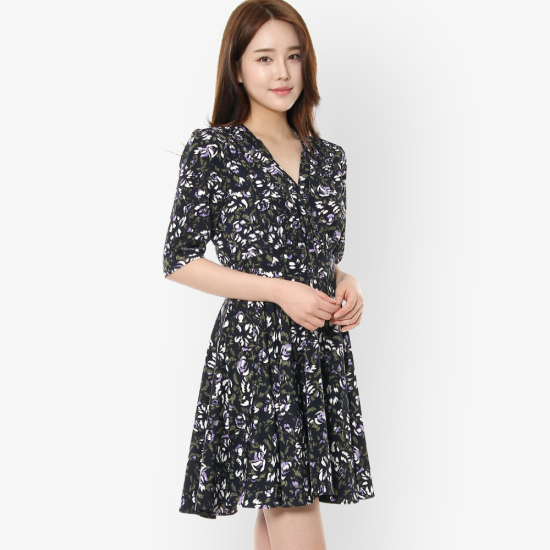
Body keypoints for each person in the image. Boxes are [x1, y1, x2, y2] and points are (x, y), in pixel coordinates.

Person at [162, 1, 375, 548]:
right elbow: (180, 259)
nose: (282, 72)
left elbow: (314, 255)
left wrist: (346, 281)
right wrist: (279, 292)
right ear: (236, 68)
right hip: (257, 352)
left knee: (283, 502)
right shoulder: (214, 150)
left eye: (293, 56)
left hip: (319, 349)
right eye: (264, 58)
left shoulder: (330, 159)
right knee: (291, 502)